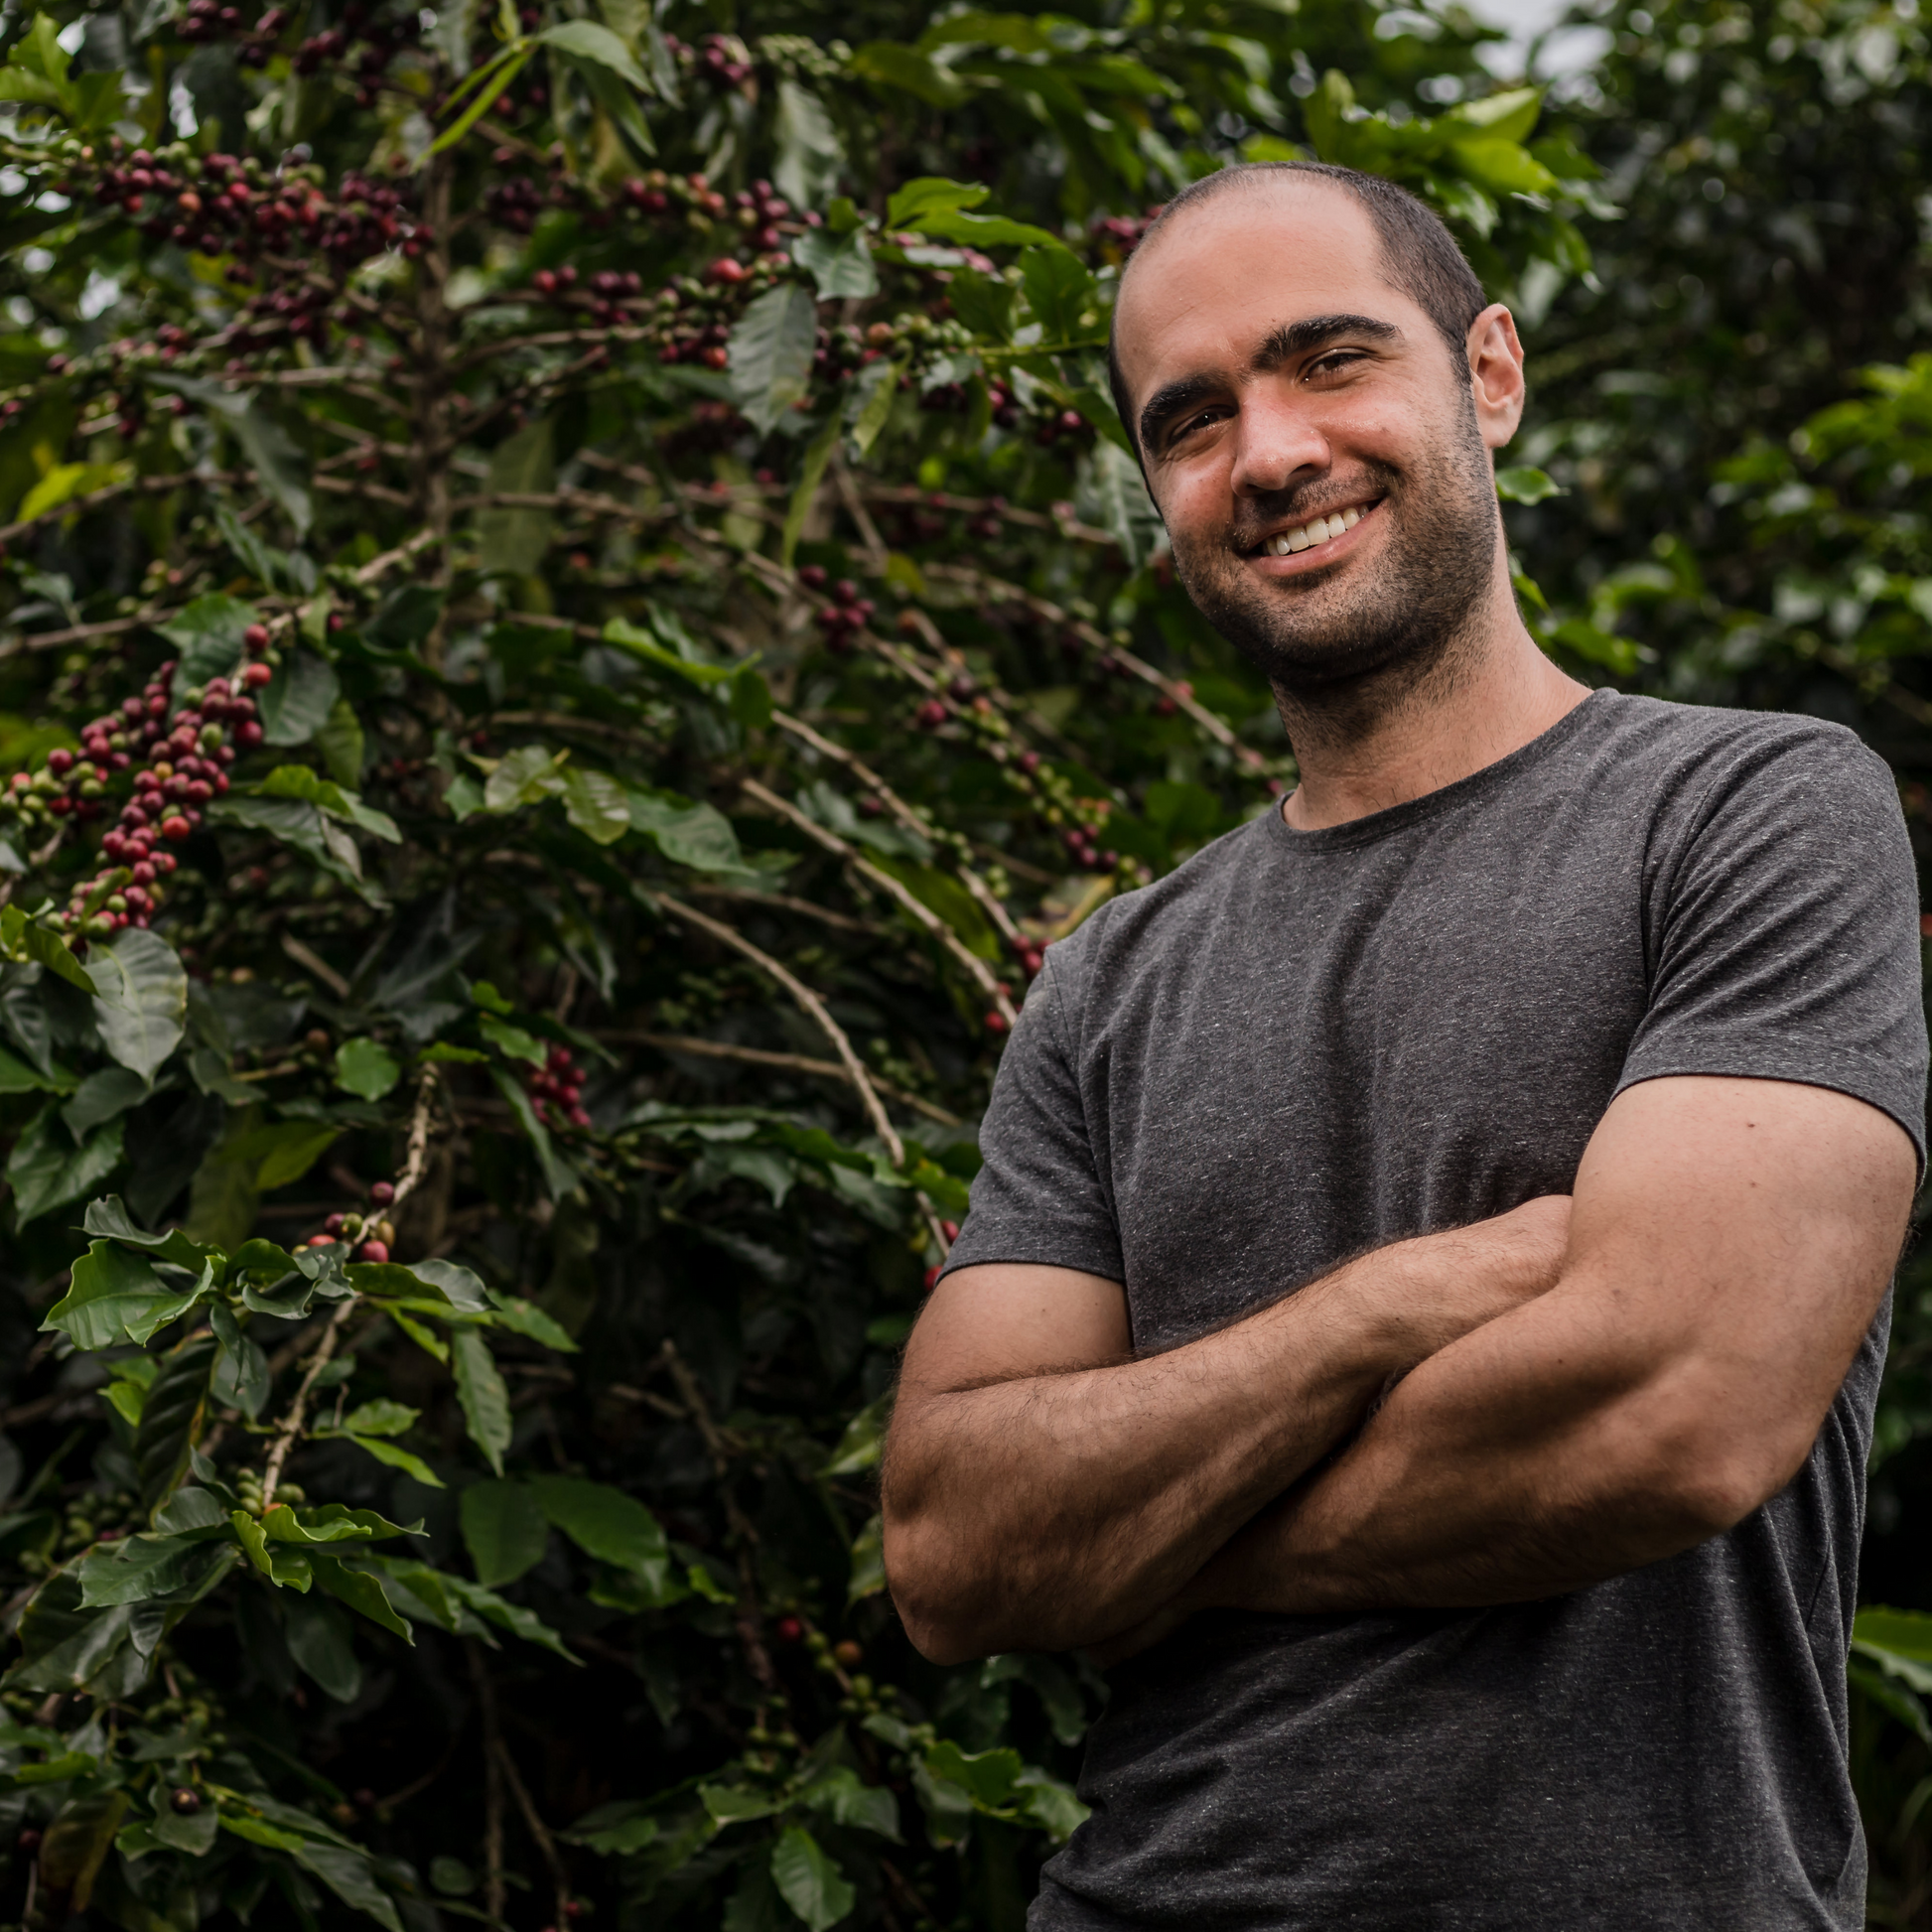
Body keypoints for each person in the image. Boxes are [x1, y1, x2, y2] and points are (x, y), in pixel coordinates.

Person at [879, 160, 1930, 1930]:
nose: (1270, 452)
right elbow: (953, 1542)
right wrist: (1395, 1301)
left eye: (1328, 360)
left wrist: (1160, 1550)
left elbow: (1675, 1413)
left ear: (1489, 376)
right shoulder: (1110, 977)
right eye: (1190, 419)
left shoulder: (1747, 813)